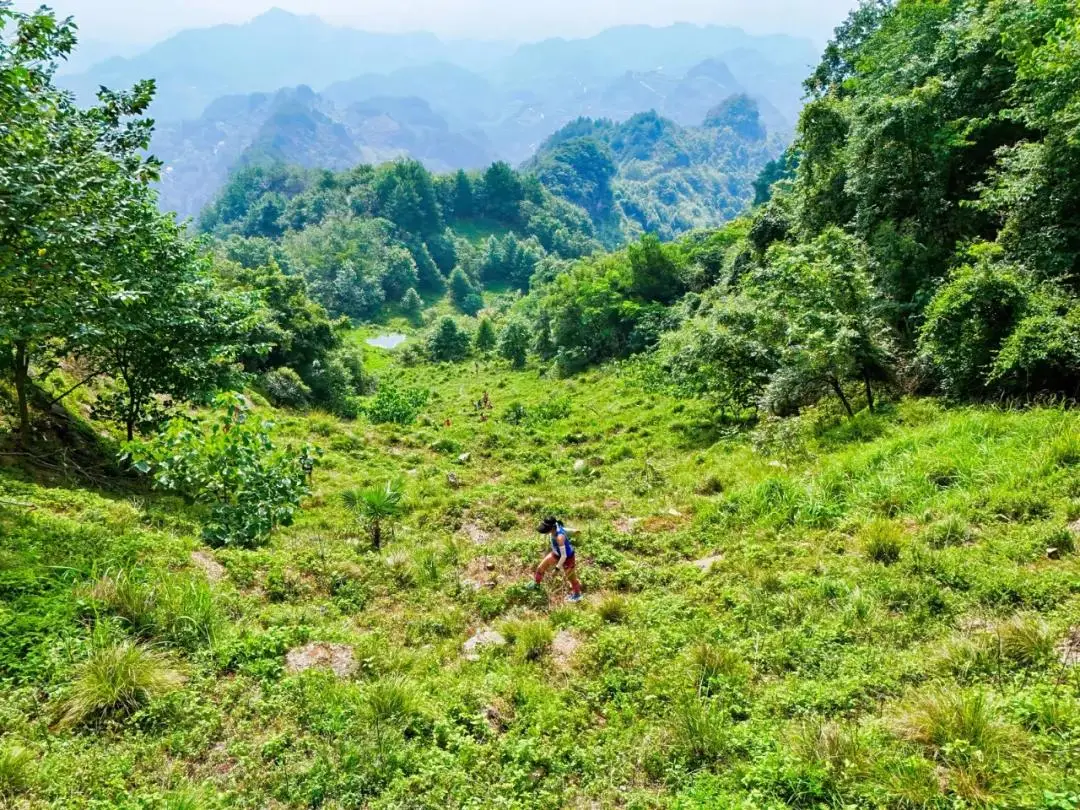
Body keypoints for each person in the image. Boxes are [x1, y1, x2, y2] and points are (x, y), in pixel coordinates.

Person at [533, 516, 582, 602]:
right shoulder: (555, 526)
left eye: (546, 529)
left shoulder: (560, 538)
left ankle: (577, 595)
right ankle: (536, 585)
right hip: (556, 554)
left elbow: (564, 556)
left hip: (567, 557)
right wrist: (574, 531)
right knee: (540, 568)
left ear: (551, 528)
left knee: (571, 578)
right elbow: (566, 530)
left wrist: (556, 569)